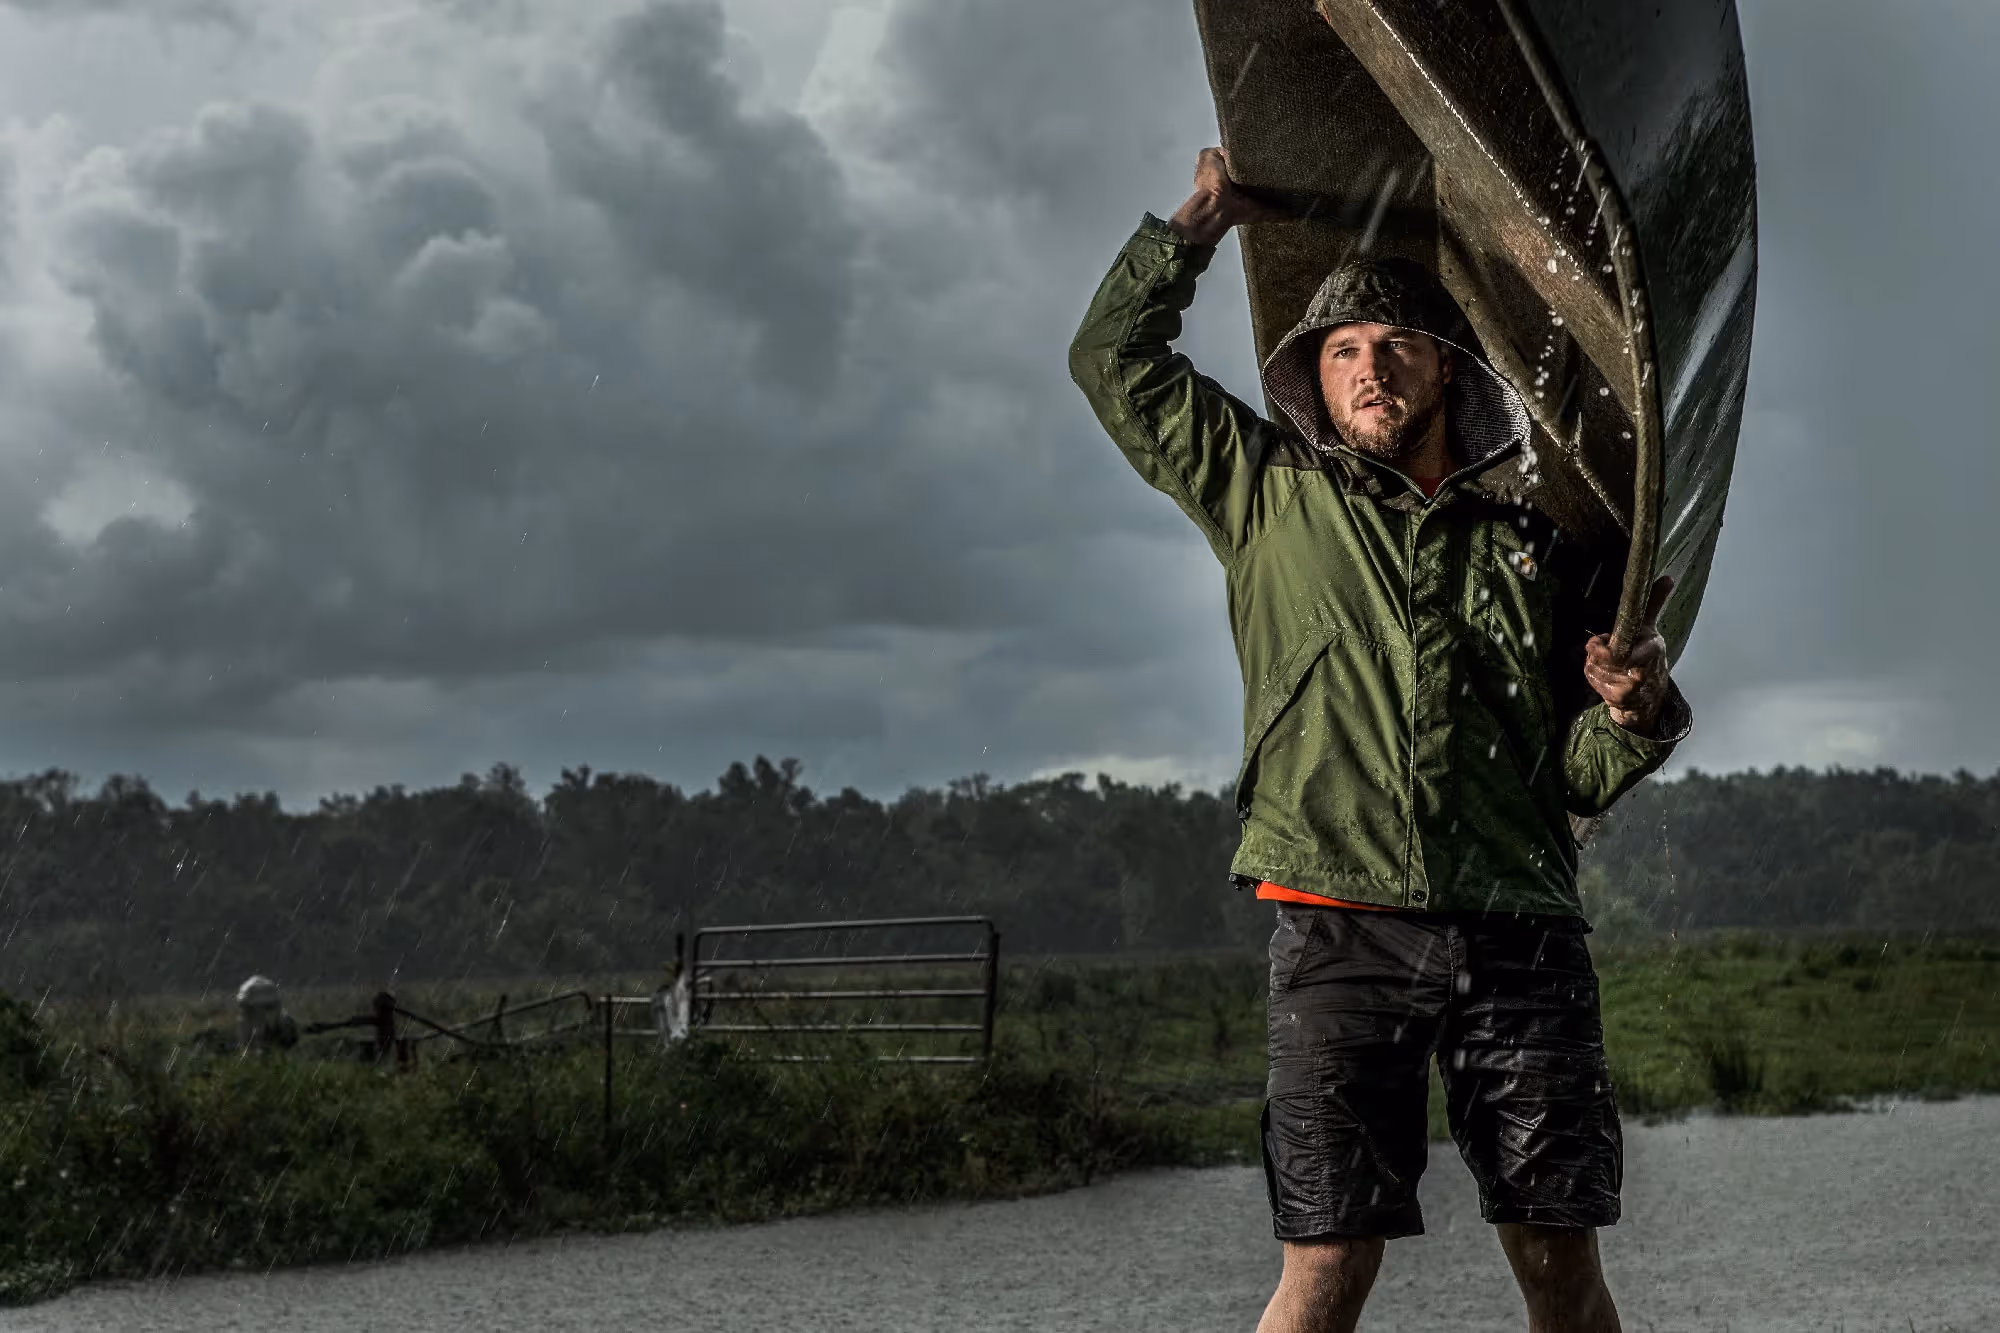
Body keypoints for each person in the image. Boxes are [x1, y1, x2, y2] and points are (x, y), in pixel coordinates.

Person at [1068, 148, 1692, 1333]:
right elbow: (1109, 362)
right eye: (1340, 349)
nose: (1366, 365)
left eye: (1392, 345)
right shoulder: (1263, 490)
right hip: (1337, 930)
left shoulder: (1538, 549)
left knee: (1559, 1262)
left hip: (1518, 931)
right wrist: (1198, 223)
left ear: (1446, 373)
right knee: (1326, 1261)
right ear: (1313, 376)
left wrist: (1634, 712)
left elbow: (1568, 773)